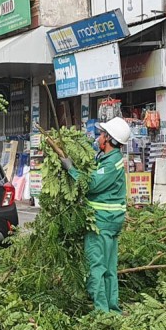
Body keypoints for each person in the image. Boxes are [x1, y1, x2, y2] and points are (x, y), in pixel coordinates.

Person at [60, 116, 131, 313]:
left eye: (101, 134)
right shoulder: (108, 160)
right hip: (110, 222)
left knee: (97, 267)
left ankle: (101, 312)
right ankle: (112, 311)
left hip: (102, 222)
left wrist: (71, 169)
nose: (98, 137)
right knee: (109, 268)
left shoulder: (110, 164)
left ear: (108, 139)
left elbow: (90, 185)